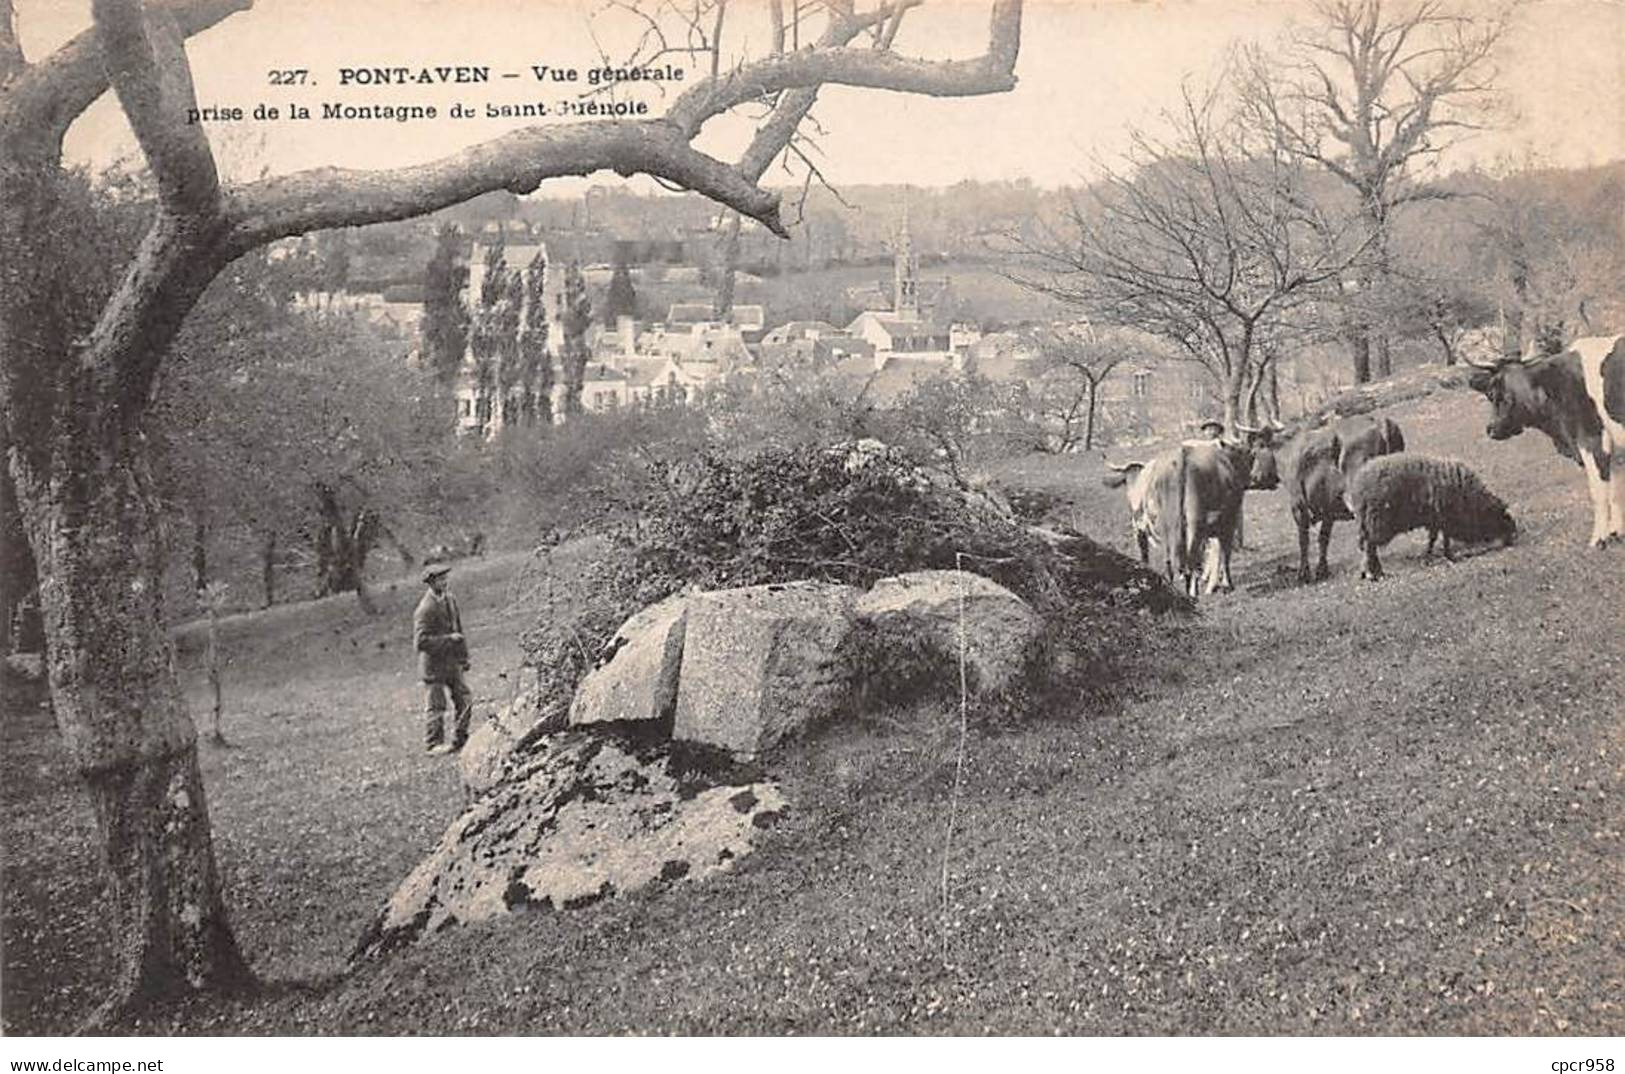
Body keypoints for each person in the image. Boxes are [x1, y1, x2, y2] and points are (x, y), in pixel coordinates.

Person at [414, 562, 472, 754]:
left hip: (453, 663)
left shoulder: (451, 600)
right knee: (437, 707)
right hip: (434, 666)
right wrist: (448, 640)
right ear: (431, 583)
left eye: (446, 578)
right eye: (440, 579)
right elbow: (421, 642)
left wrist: (463, 657)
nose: (445, 582)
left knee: (465, 699)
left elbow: (459, 630)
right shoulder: (425, 608)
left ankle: (460, 739)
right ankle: (433, 744)